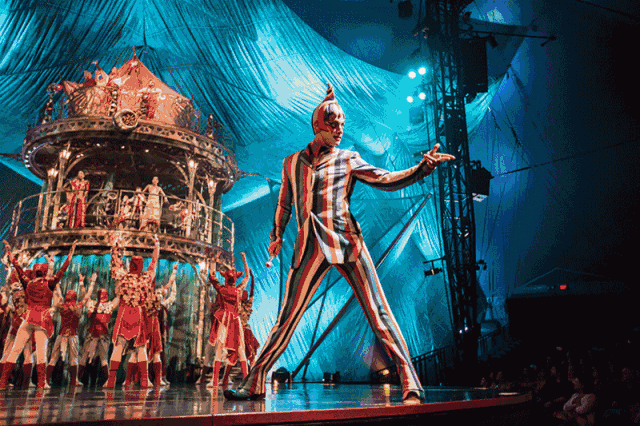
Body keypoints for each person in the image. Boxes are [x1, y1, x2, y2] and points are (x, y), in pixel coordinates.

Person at [223, 83, 454, 404]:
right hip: (309, 245)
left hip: (347, 241)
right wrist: (276, 236)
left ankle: (410, 380)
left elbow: (384, 179)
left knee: (378, 311)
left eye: (342, 124)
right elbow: (284, 203)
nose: (339, 129)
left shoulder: (348, 159)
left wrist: (422, 169)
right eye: (333, 124)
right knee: (285, 319)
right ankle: (255, 381)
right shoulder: (292, 163)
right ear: (318, 125)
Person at [0, 240, 77, 389]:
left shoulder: (28, 282)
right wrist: (71, 253)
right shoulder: (50, 283)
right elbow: (63, 269)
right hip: (41, 320)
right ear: (45, 272)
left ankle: (2, 382)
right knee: (41, 353)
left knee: (15, 350)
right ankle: (41, 383)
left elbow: (17, 266)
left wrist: (9, 251)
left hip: (28, 318)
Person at [103, 233, 159, 388]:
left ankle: (111, 380)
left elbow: (115, 262)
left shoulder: (123, 277)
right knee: (141, 348)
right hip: (138, 315)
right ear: (140, 267)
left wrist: (115, 245)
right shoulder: (145, 279)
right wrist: (157, 246)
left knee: (118, 346)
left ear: (130, 266)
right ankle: (145, 380)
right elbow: (154, 263)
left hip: (124, 314)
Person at [202, 252, 250, 390]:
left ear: (225, 278)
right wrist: (244, 259)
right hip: (235, 320)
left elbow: (212, 276)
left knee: (219, 349)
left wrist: (213, 261)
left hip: (224, 320)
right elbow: (246, 277)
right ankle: (246, 382)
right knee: (240, 350)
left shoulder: (222, 290)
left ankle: (215, 381)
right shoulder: (238, 290)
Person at [46, 273, 96, 387]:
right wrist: (91, 283)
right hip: (72, 335)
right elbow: (87, 296)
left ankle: (46, 380)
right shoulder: (78, 307)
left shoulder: (62, 305)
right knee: (73, 358)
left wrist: (57, 284)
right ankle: (74, 380)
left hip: (62, 335)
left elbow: (58, 294)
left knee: (54, 358)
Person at [78, 286, 120, 386]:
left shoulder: (97, 304)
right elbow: (117, 297)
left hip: (99, 335)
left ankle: (108, 381)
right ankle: (77, 379)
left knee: (100, 358)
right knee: (90, 357)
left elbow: (85, 295)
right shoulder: (97, 304)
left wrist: (83, 284)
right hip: (95, 335)